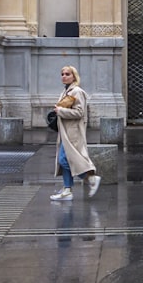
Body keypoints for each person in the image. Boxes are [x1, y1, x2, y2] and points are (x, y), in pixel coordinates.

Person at [50, 65, 101, 201]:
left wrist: (60, 111)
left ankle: (90, 178)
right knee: (64, 160)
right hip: (65, 131)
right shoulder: (66, 91)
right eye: (62, 74)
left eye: (67, 74)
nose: (64, 76)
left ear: (74, 76)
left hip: (73, 132)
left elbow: (79, 112)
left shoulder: (77, 91)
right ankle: (67, 189)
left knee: (65, 159)